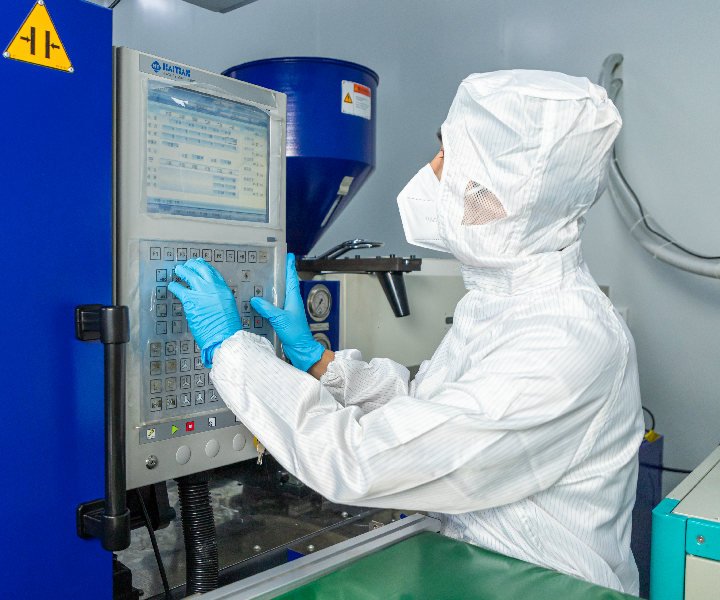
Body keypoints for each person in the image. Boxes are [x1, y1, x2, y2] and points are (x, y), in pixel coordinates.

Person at [168, 70, 644, 594]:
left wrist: (232, 350)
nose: (434, 171)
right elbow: (431, 408)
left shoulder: (564, 342)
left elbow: (361, 461)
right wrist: (320, 364)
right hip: (481, 568)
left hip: (548, 585)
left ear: (509, 192)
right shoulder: (504, 302)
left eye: (452, 158)